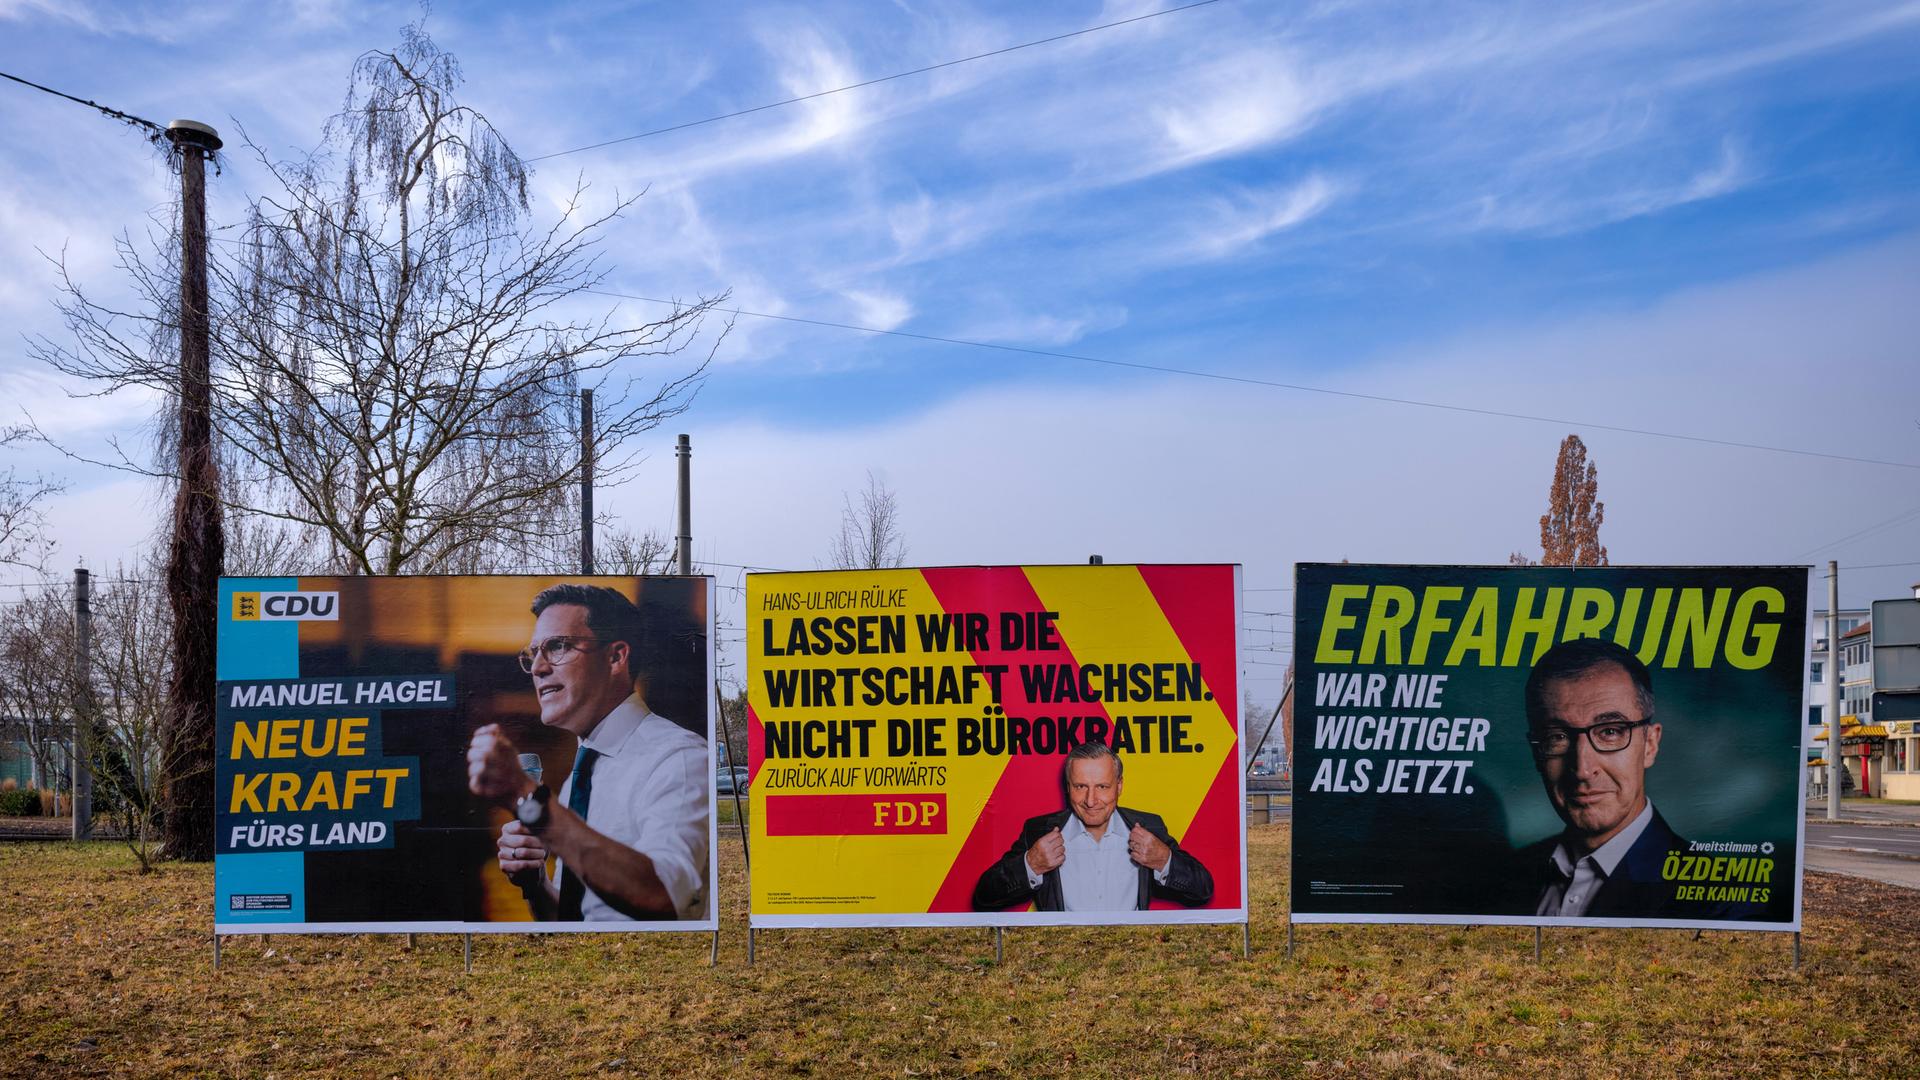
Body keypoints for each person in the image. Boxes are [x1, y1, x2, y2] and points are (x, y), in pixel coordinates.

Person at [467, 583, 709, 921]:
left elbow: (665, 895)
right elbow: (578, 921)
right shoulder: (577, 782)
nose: (537, 668)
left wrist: (525, 794)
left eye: (557, 647)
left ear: (615, 657)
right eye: (533, 653)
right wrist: (535, 883)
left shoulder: (679, 759)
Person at [1513, 637, 1744, 919]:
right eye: (1557, 737)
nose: (1583, 769)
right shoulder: (1504, 875)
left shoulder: (1719, 900)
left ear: (1650, 745)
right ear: (1536, 752)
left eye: (1610, 731)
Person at [971, 741, 1213, 912]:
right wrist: (1030, 865)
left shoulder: (1148, 826)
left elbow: (1203, 888)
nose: (1090, 800)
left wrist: (1164, 860)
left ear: (1119, 786)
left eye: (1102, 787)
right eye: (1080, 787)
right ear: (1067, 787)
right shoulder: (1040, 830)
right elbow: (984, 895)